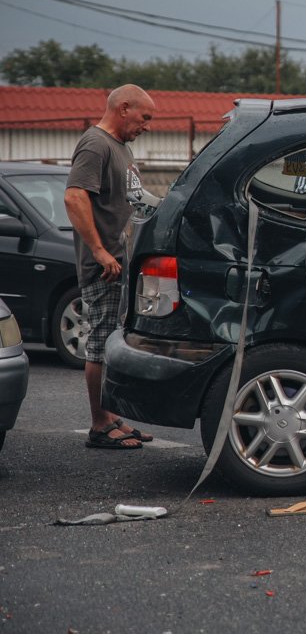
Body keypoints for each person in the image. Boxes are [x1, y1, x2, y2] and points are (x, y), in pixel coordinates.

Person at [64, 84, 157, 449]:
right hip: (105, 267)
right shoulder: (96, 144)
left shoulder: (121, 148)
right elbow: (74, 197)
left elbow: (134, 201)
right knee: (101, 344)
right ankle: (99, 425)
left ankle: (112, 414)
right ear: (123, 108)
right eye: (144, 117)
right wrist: (100, 251)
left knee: (116, 342)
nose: (146, 125)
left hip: (122, 263)